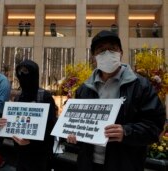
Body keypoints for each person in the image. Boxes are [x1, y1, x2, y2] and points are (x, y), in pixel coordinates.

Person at [66, 30, 166, 171]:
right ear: (94, 57)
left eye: (112, 48)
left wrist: (126, 132)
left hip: (125, 164)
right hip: (88, 164)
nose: (107, 53)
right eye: (101, 50)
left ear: (121, 53)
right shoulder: (84, 89)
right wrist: (73, 134)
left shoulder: (140, 85)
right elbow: (76, 125)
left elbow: (155, 127)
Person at [0, 59, 57, 171]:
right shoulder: (18, 98)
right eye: (19, 73)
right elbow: (14, 124)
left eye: (26, 72)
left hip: (40, 156)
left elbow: (51, 128)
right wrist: (4, 124)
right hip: (21, 155)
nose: (22, 76)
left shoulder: (45, 97)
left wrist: (32, 142)